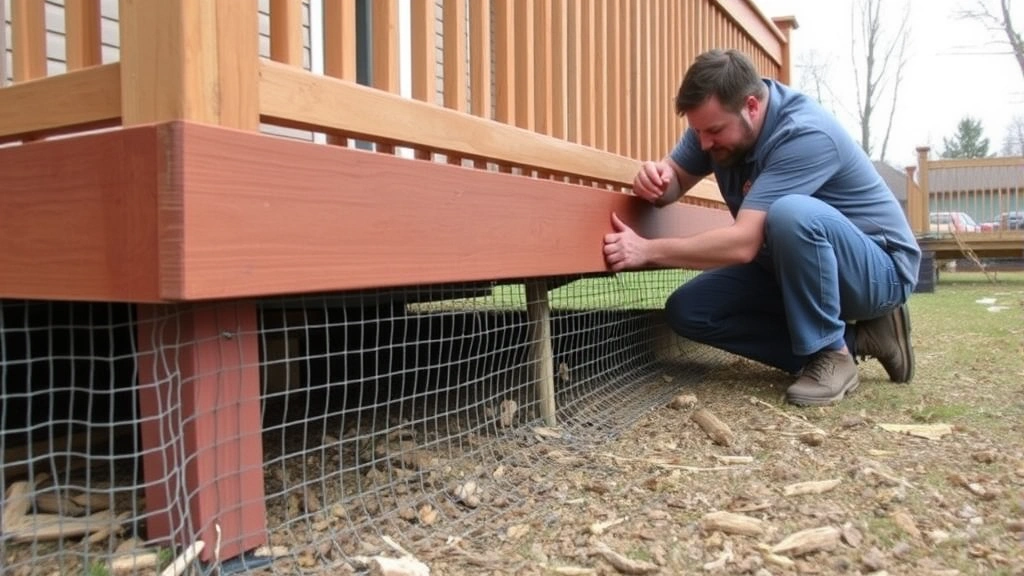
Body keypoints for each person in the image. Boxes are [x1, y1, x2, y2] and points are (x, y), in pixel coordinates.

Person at [602, 49, 920, 406]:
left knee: (789, 214)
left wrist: (647, 251)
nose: (704, 143)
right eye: (698, 132)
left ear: (751, 106)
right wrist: (659, 180)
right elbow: (676, 177)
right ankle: (862, 339)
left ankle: (832, 354)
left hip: (878, 271)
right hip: (790, 264)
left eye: (714, 131)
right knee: (691, 311)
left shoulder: (804, 134)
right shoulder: (714, 123)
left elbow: (742, 245)